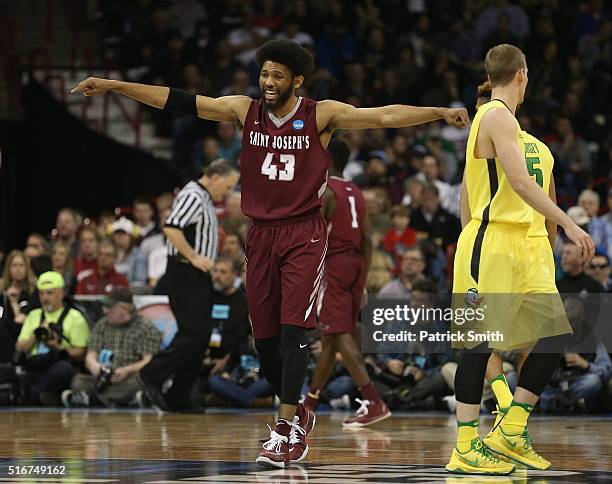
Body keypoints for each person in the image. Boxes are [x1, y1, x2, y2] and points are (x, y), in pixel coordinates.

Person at [72, 38, 468, 468]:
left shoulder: (323, 114)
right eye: (264, 73)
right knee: (264, 341)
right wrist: (116, 85)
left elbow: (386, 115)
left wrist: (440, 113)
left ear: (297, 80)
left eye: (277, 75)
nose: (268, 81)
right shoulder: (245, 110)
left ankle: (284, 429)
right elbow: (181, 101)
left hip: (304, 234)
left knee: (295, 329)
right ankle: (296, 412)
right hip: (259, 235)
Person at [447, 44, 594, 475]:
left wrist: (549, 238)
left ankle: (511, 428)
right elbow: (509, 184)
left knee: (553, 335)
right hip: (492, 241)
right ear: (523, 75)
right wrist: (569, 224)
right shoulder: (492, 116)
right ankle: (465, 445)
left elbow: (491, 194)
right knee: (479, 343)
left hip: (519, 247)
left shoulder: (518, 132)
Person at [137, 161, 239, 413]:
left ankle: (178, 396)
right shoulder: (193, 194)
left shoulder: (202, 197)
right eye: (226, 187)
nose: (227, 194)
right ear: (214, 177)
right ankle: (151, 374)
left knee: (201, 334)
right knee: (194, 332)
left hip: (196, 274)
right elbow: (171, 228)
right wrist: (193, 257)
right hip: (185, 271)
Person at [303, 138, 390, 426]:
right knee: (332, 337)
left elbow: (310, 240)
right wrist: (362, 280)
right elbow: (367, 240)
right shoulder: (355, 191)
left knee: (338, 333)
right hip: (354, 264)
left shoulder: (325, 192)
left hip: (333, 266)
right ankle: (310, 402)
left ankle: (373, 400)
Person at [62, 287, 162, 408]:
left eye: (109, 307)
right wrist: (96, 367)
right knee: (78, 381)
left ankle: (92, 399)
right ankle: (125, 400)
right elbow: (90, 356)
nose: (104, 311)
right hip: (103, 377)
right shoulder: (101, 325)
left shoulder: (146, 327)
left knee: (141, 382)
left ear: (124, 309)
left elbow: (148, 361)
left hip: (129, 377)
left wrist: (127, 370)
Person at [15, 271, 89, 405]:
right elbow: (20, 347)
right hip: (34, 364)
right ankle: (43, 396)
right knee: (13, 373)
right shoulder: (34, 315)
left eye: (49, 293)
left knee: (63, 370)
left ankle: (33, 394)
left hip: (58, 364)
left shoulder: (75, 317)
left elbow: (80, 353)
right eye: (41, 293)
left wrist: (57, 346)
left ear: (61, 293)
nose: (45, 298)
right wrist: (36, 334)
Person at [0, 251, 38, 363]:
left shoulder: (32, 292)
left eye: (21, 265)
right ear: (9, 268)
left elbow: (20, 320)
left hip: (22, 332)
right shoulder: (2, 291)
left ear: (27, 268)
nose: (18, 269)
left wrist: (13, 302)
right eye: (14, 265)